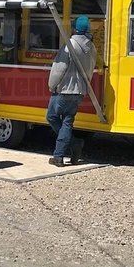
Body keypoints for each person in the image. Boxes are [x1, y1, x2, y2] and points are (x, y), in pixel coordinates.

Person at [46, 16, 97, 167]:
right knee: (67, 121)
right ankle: (69, 148)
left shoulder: (70, 45)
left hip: (64, 90)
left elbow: (59, 67)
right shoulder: (92, 48)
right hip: (79, 91)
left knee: (52, 117)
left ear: (74, 28)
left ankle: (62, 153)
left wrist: (51, 85)